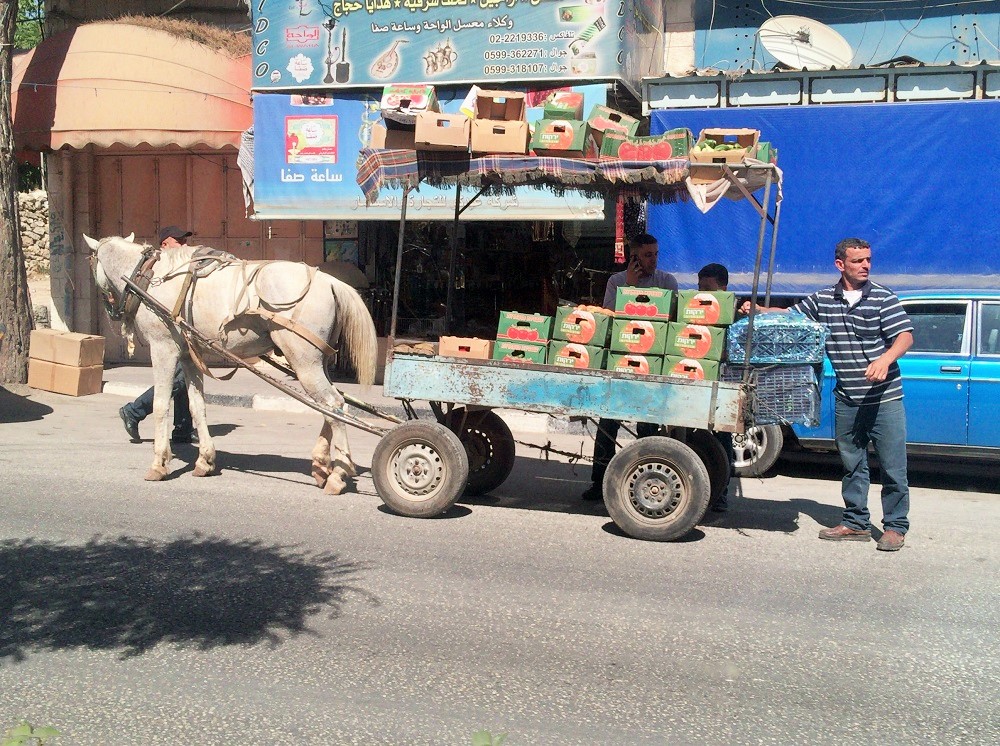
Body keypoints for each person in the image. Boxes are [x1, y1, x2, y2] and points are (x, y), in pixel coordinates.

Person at [744, 238, 913, 551]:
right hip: (848, 399)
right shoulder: (823, 299)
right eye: (858, 261)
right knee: (852, 466)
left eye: (868, 260)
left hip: (884, 400)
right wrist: (761, 310)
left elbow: (904, 336)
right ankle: (856, 523)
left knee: (893, 468)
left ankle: (895, 527)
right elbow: (793, 315)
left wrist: (885, 359)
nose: (865, 266)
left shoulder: (883, 298)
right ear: (840, 265)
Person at [582, 234, 679, 501]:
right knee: (608, 423)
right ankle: (598, 482)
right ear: (633, 257)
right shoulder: (616, 282)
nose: (654, 260)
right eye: (647, 255)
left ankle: (644, 482)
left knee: (647, 427)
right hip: (620, 361)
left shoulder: (667, 282)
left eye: (656, 254)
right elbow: (609, 320)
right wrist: (630, 286)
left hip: (652, 363)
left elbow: (672, 319)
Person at [118, 226, 196, 445]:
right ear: (165, 245)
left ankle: (182, 428)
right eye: (179, 241)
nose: (184, 245)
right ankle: (134, 412)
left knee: (186, 375)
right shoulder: (158, 269)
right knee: (179, 378)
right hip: (168, 333)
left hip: (184, 331)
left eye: (185, 240)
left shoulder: (178, 264)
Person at [698, 263, 734, 513]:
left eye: (708, 289)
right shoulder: (696, 311)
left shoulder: (733, 316)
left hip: (723, 384)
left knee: (722, 439)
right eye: (700, 288)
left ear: (723, 289)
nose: (703, 295)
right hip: (698, 381)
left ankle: (721, 492)